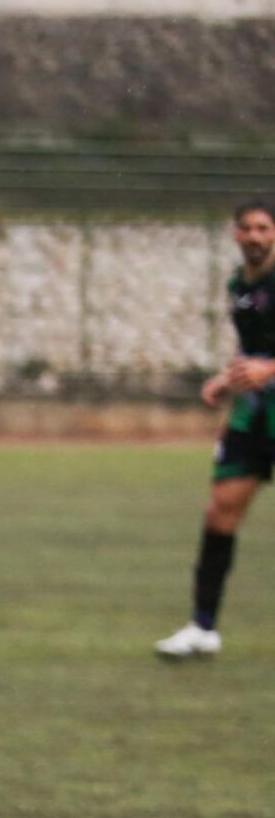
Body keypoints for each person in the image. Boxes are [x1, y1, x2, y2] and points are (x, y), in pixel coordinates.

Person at [158, 200, 275, 659]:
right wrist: (228, 380)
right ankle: (202, 628)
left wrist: (268, 370)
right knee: (220, 513)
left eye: (263, 228)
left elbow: (265, 362)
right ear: (235, 234)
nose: (255, 236)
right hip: (254, 415)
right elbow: (252, 349)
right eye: (247, 228)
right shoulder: (238, 284)